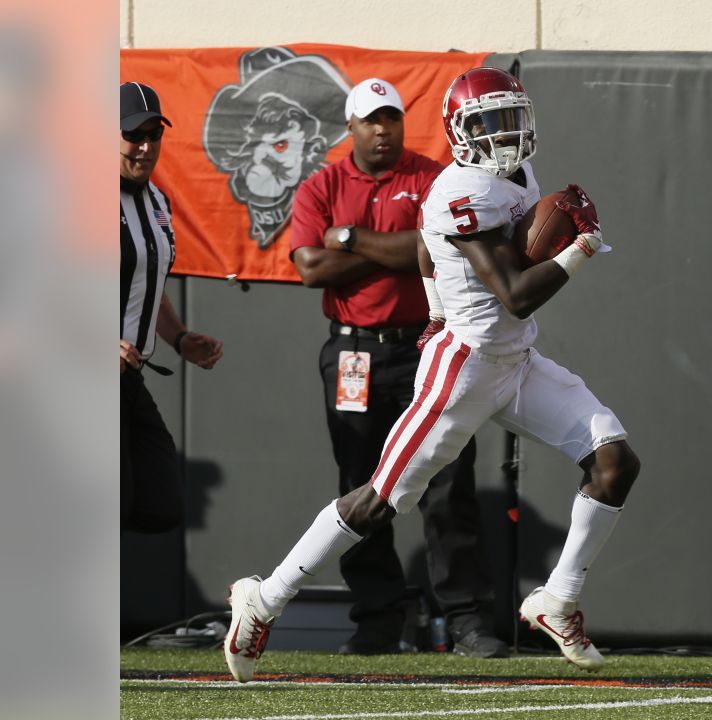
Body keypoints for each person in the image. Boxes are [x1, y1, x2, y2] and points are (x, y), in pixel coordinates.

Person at [224, 67, 640, 682]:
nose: (503, 135)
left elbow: (422, 243)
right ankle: (264, 600)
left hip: (516, 361)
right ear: (459, 132)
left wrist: (436, 305)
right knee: (379, 502)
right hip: (466, 367)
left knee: (614, 462)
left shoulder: (515, 174)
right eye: (487, 123)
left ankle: (558, 599)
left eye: (510, 119)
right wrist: (579, 247)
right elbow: (517, 293)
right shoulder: (459, 190)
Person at [288, 78, 505, 658]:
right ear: (351, 128)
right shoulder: (323, 184)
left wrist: (352, 239)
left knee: (448, 481)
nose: (383, 130)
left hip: (426, 344)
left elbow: (425, 251)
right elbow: (310, 266)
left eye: (392, 119)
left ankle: (467, 621)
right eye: (371, 121)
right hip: (354, 349)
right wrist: (397, 249)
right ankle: (378, 621)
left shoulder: (433, 176)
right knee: (363, 482)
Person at [120, 81, 224, 533]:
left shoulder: (157, 200)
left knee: (158, 501)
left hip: (128, 378)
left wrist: (178, 336)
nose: (145, 147)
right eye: (133, 135)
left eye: (153, 135)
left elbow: (146, 285)